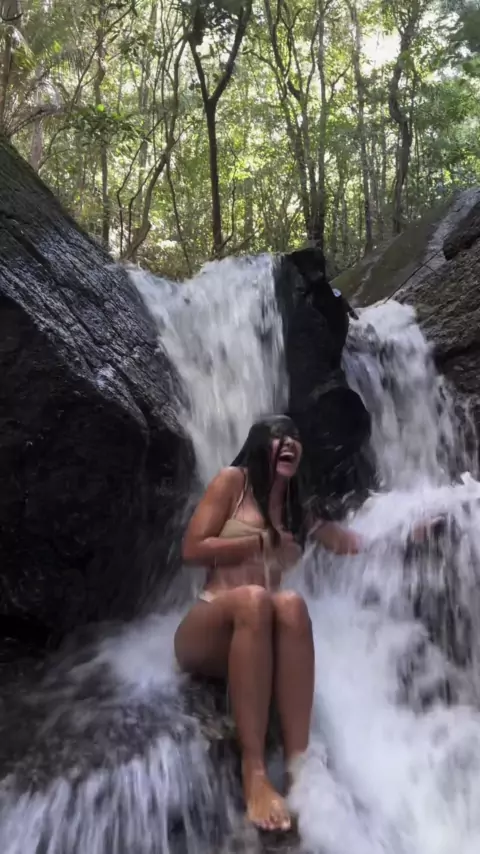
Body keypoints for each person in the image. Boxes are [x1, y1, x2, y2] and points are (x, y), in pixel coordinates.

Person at [174, 415, 361, 833]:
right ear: (260, 444)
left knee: (291, 604)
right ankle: (254, 771)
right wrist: (260, 541)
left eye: (295, 436)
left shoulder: (297, 508)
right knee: (256, 599)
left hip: (255, 641)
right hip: (207, 627)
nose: (290, 441)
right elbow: (192, 549)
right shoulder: (233, 482)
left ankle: (299, 768)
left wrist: (411, 528)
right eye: (279, 436)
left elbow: (351, 543)